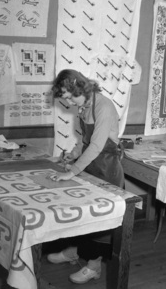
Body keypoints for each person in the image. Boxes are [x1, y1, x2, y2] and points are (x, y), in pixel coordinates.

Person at [47, 69, 124, 284]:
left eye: (71, 96)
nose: (69, 102)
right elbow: (84, 141)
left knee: (101, 218)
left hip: (107, 168)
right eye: (66, 98)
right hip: (91, 165)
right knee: (83, 211)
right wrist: (72, 156)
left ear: (81, 88)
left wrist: (72, 171)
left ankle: (94, 264)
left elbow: (98, 145)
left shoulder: (104, 106)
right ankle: (77, 251)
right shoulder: (83, 106)